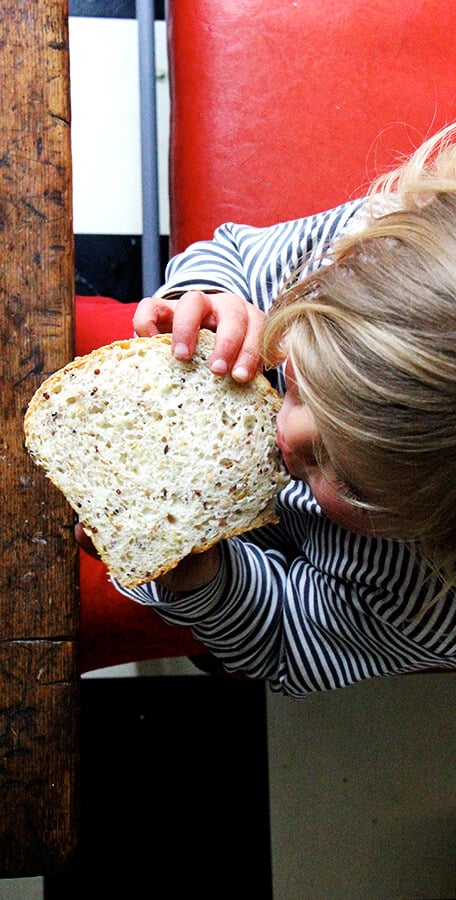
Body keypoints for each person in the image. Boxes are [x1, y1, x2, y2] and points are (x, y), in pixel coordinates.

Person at [76, 123, 456, 698]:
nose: (286, 433)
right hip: (181, 367)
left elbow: (285, 643)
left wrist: (204, 581)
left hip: (229, 572)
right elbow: (231, 254)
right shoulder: (381, 253)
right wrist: (204, 300)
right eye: (304, 382)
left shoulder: (425, 601)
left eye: (346, 477)